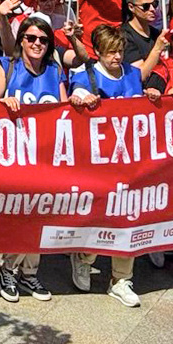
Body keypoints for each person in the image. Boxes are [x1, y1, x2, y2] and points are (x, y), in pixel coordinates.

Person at [68, 23, 163, 307]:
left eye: (120, 51)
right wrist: (81, 99)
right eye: (110, 53)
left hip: (130, 163)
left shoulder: (133, 74)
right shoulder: (85, 74)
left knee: (129, 217)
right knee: (99, 215)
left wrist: (151, 98)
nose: (117, 58)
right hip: (97, 163)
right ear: (96, 52)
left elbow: (140, 102)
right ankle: (85, 258)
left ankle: (121, 278)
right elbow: (77, 95)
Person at [0, 15, 67, 303]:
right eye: (30, 38)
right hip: (13, 157)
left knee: (42, 214)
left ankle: (30, 273)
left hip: (46, 156)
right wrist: (2, 102)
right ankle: (8, 267)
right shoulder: (5, 66)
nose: (37, 44)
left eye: (43, 39)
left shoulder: (55, 71)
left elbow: (66, 110)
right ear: (20, 42)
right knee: (24, 215)